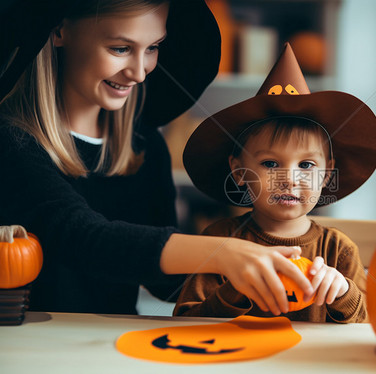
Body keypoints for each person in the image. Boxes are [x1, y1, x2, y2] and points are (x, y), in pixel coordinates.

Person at [0, 0, 314, 316]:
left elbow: (168, 285)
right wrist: (224, 252)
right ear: (59, 31)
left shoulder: (143, 143)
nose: (139, 72)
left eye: (153, 48)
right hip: (34, 345)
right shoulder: (11, 140)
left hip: (110, 345)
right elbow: (83, 237)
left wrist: (263, 251)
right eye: (120, 48)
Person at [175, 44, 376, 323]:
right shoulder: (220, 242)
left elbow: (371, 324)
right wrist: (233, 291)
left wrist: (344, 291)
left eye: (306, 165)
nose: (289, 179)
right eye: (270, 164)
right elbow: (186, 319)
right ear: (239, 172)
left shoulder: (338, 249)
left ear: (326, 175)